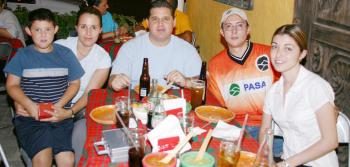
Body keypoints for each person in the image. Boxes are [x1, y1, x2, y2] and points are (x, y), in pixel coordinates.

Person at [14, 7, 112, 166]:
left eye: (93, 27)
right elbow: (27, 77)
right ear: (76, 28)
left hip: (78, 110)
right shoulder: (59, 46)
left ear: (100, 30)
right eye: (83, 27)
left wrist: (69, 113)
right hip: (45, 105)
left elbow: (89, 94)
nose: (88, 33)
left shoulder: (103, 58)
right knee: (42, 146)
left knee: (79, 143)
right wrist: (20, 103)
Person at [4, 8, 84, 167]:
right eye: (37, 30)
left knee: (67, 158)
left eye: (47, 29)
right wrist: (28, 104)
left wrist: (59, 106)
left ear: (55, 30)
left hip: (59, 116)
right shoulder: (22, 55)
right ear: (28, 31)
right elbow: (12, 85)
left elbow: (75, 83)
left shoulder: (66, 54)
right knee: (42, 157)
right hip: (30, 117)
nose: (43, 34)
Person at [259, 24, 338, 167]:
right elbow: (265, 130)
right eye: (275, 46)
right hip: (287, 161)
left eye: (288, 48)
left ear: (302, 54)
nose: (278, 54)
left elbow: (330, 141)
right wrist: (268, 160)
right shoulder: (273, 91)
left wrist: (285, 164)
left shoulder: (316, 87)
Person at [207, 8, 282, 156]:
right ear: (222, 32)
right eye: (228, 26)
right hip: (237, 128)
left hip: (271, 127)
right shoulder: (215, 65)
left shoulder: (269, 54)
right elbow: (218, 107)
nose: (234, 31)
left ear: (248, 29)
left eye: (239, 25)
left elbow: (294, 82)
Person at [109, 0, 201, 91]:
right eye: (155, 19)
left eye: (166, 19)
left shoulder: (187, 50)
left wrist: (186, 81)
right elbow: (112, 78)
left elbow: (202, 81)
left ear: (174, 22)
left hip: (174, 103)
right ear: (148, 23)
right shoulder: (129, 48)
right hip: (138, 102)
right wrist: (114, 81)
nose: (160, 24)